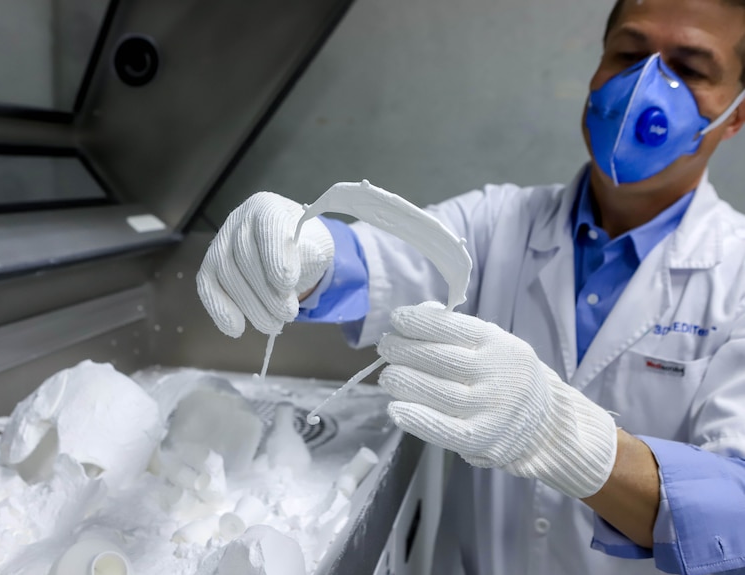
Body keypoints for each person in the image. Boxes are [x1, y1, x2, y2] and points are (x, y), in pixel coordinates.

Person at [196, 0, 745, 573]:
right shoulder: (495, 221)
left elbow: (737, 513)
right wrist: (305, 253)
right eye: (629, 56)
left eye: (690, 68)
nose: (643, 88)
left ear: (734, 115)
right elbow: (380, 261)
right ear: (598, 71)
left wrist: (562, 438)